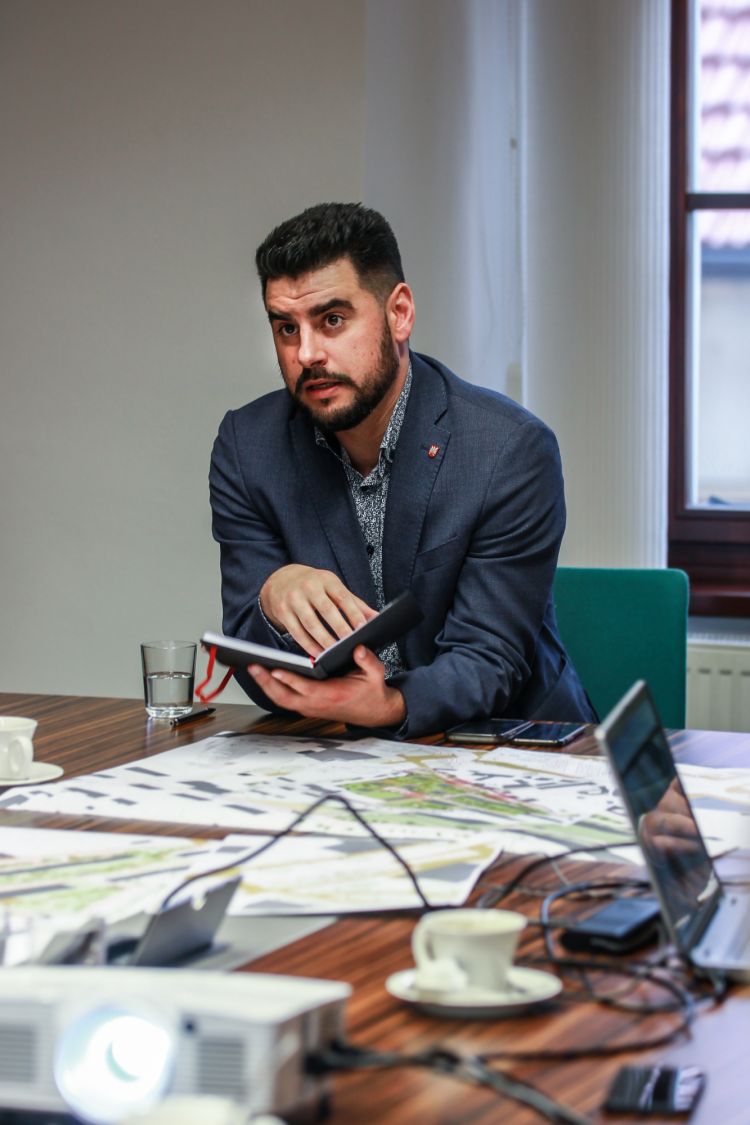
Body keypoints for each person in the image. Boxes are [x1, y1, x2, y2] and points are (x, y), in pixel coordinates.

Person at [209, 202, 594, 738]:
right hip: (334, 745)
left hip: (508, 739)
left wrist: (389, 703)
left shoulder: (508, 450)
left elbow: (489, 660)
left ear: (400, 314)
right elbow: (252, 665)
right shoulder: (247, 447)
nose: (307, 353)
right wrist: (273, 599)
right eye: (286, 328)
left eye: (332, 320)